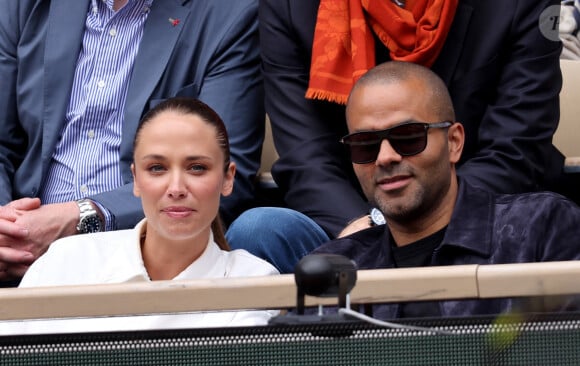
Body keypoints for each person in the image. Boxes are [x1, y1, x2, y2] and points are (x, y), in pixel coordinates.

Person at [227, 0, 565, 273]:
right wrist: (372, 231)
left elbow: (517, 146)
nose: (389, 153)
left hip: (480, 211)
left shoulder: (516, 5)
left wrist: (419, 222)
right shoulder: (290, 6)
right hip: (348, 219)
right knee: (258, 230)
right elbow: (306, 155)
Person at [0, 0, 264, 284]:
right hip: (19, 256)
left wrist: (81, 217)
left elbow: (221, 170)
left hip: (144, 258)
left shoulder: (229, 14)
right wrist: (9, 231)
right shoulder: (22, 6)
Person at [311, 61, 580, 319]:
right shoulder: (336, 266)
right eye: (364, 145)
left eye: (408, 137)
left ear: (454, 142)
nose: (385, 157)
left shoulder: (540, 229)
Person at [0, 97, 279, 335]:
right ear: (135, 179)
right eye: (157, 168)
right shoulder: (64, 263)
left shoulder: (255, 281)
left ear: (228, 178)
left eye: (196, 168)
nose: (176, 188)